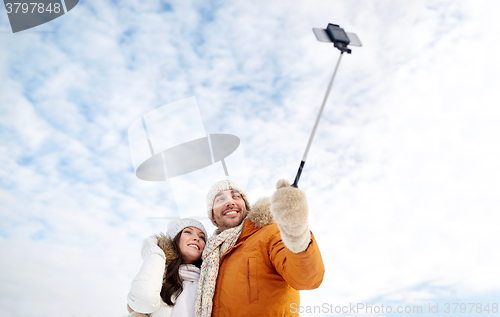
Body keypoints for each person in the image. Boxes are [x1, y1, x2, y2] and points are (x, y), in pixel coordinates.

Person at [195, 179, 325, 317]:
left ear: (246, 206)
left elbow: (307, 279)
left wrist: (296, 231)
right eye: (220, 199)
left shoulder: (270, 234)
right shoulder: (208, 259)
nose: (230, 202)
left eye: (236, 196)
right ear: (213, 217)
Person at [127, 218, 208, 317]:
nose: (196, 238)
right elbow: (143, 301)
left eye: (202, 237)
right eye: (188, 232)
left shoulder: (209, 282)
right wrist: (154, 253)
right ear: (173, 239)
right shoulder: (159, 277)